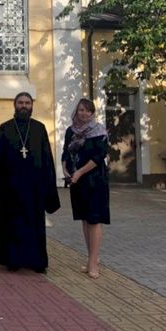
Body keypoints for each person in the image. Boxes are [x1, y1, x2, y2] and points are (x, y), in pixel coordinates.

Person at [0, 92, 60, 273]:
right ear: (15, 105)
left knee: (34, 226)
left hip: (34, 189)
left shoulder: (39, 128)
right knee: (13, 225)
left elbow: (47, 159)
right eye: (20, 103)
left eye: (27, 103)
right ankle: (13, 260)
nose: (24, 106)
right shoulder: (5, 128)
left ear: (31, 106)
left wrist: (49, 187)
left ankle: (37, 262)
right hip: (11, 188)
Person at [62, 98, 110, 280]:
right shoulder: (71, 131)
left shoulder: (99, 131)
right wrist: (65, 169)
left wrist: (80, 172)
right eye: (81, 110)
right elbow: (66, 152)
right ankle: (91, 259)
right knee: (84, 218)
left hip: (95, 180)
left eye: (88, 110)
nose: (84, 113)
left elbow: (99, 156)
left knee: (94, 220)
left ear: (92, 113)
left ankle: (94, 262)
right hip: (77, 181)